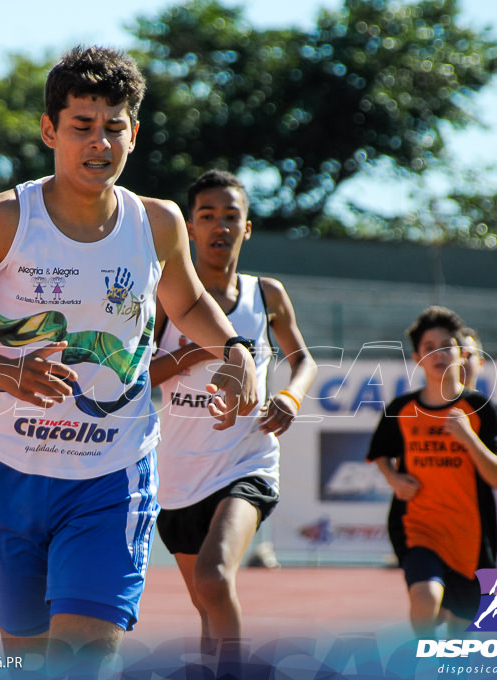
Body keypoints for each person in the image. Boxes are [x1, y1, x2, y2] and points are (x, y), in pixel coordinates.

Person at [0, 46, 258, 676]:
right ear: (49, 130)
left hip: (112, 474)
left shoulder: (158, 223)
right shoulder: (4, 220)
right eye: (82, 128)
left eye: (114, 128)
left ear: (134, 134)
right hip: (12, 472)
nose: (99, 144)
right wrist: (3, 370)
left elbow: (190, 299)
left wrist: (236, 350)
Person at [149, 170, 317, 657]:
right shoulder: (165, 295)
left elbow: (303, 359)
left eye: (231, 216)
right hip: (180, 475)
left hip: (247, 464)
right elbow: (138, 379)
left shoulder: (266, 295)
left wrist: (289, 399)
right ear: (189, 229)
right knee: (207, 604)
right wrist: (203, 351)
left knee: (214, 576)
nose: (220, 226)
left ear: (246, 228)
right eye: (207, 216)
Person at [366, 306, 497, 638]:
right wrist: (393, 478)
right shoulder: (401, 410)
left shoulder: (483, 410)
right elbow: (380, 452)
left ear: (461, 353)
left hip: (470, 537)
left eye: (446, 345)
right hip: (418, 526)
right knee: (426, 598)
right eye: (428, 347)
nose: (438, 353)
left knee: (460, 633)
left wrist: (468, 437)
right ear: (417, 358)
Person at [461, 326, 486, 391]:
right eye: (459, 355)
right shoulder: (434, 400)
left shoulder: (483, 401)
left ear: (481, 363)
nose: (462, 361)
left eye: (468, 355)